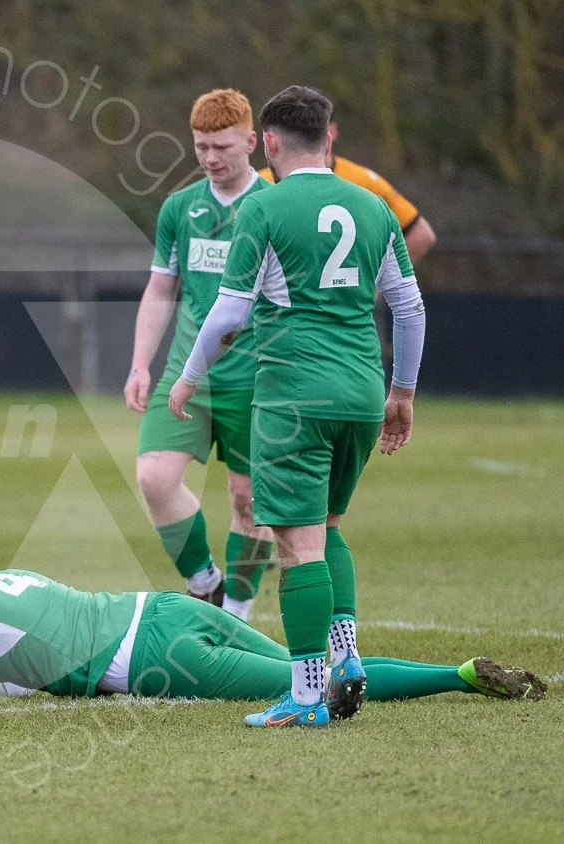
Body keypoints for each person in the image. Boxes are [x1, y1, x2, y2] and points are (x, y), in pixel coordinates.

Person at [167, 85, 427, 727]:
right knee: (329, 526)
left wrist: (191, 373)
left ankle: (307, 698)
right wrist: (403, 392)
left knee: (297, 545)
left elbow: (229, 313)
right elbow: (410, 308)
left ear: (272, 143)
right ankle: (347, 659)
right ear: (328, 137)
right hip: (364, 390)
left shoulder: (265, 208)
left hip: (293, 396)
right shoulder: (372, 207)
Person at [0, 569, 545, 707]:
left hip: (156, 658)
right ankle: (455, 671)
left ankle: (456, 677)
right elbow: (20, 664)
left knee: (316, 694)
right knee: (321, 668)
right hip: (172, 609)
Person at [125, 89, 275, 618]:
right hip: (189, 372)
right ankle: (204, 581)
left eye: (223, 147)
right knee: (153, 477)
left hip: (260, 378)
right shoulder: (180, 208)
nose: (211, 158)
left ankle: (235, 613)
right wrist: (141, 363)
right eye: (201, 147)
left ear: (252, 143)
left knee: (249, 502)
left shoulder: (274, 205)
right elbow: (162, 288)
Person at [257, 104, 436, 266]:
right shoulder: (262, 182)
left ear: (332, 132)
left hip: (349, 300)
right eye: (296, 128)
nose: (306, 134)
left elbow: (421, 234)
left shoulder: (363, 181)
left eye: (313, 126)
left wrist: (379, 284)